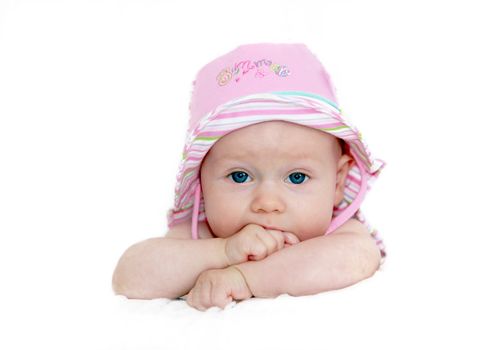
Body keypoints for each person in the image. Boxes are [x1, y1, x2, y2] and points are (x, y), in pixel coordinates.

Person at [112, 43, 387, 311]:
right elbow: (129, 276)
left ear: (338, 182)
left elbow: (359, 259)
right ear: (201, 183)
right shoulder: (202, 233)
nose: (267, 203)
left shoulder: (338, 230)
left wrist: (246, 278)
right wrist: (223, 252)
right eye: (240, 176)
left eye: (297, 178)